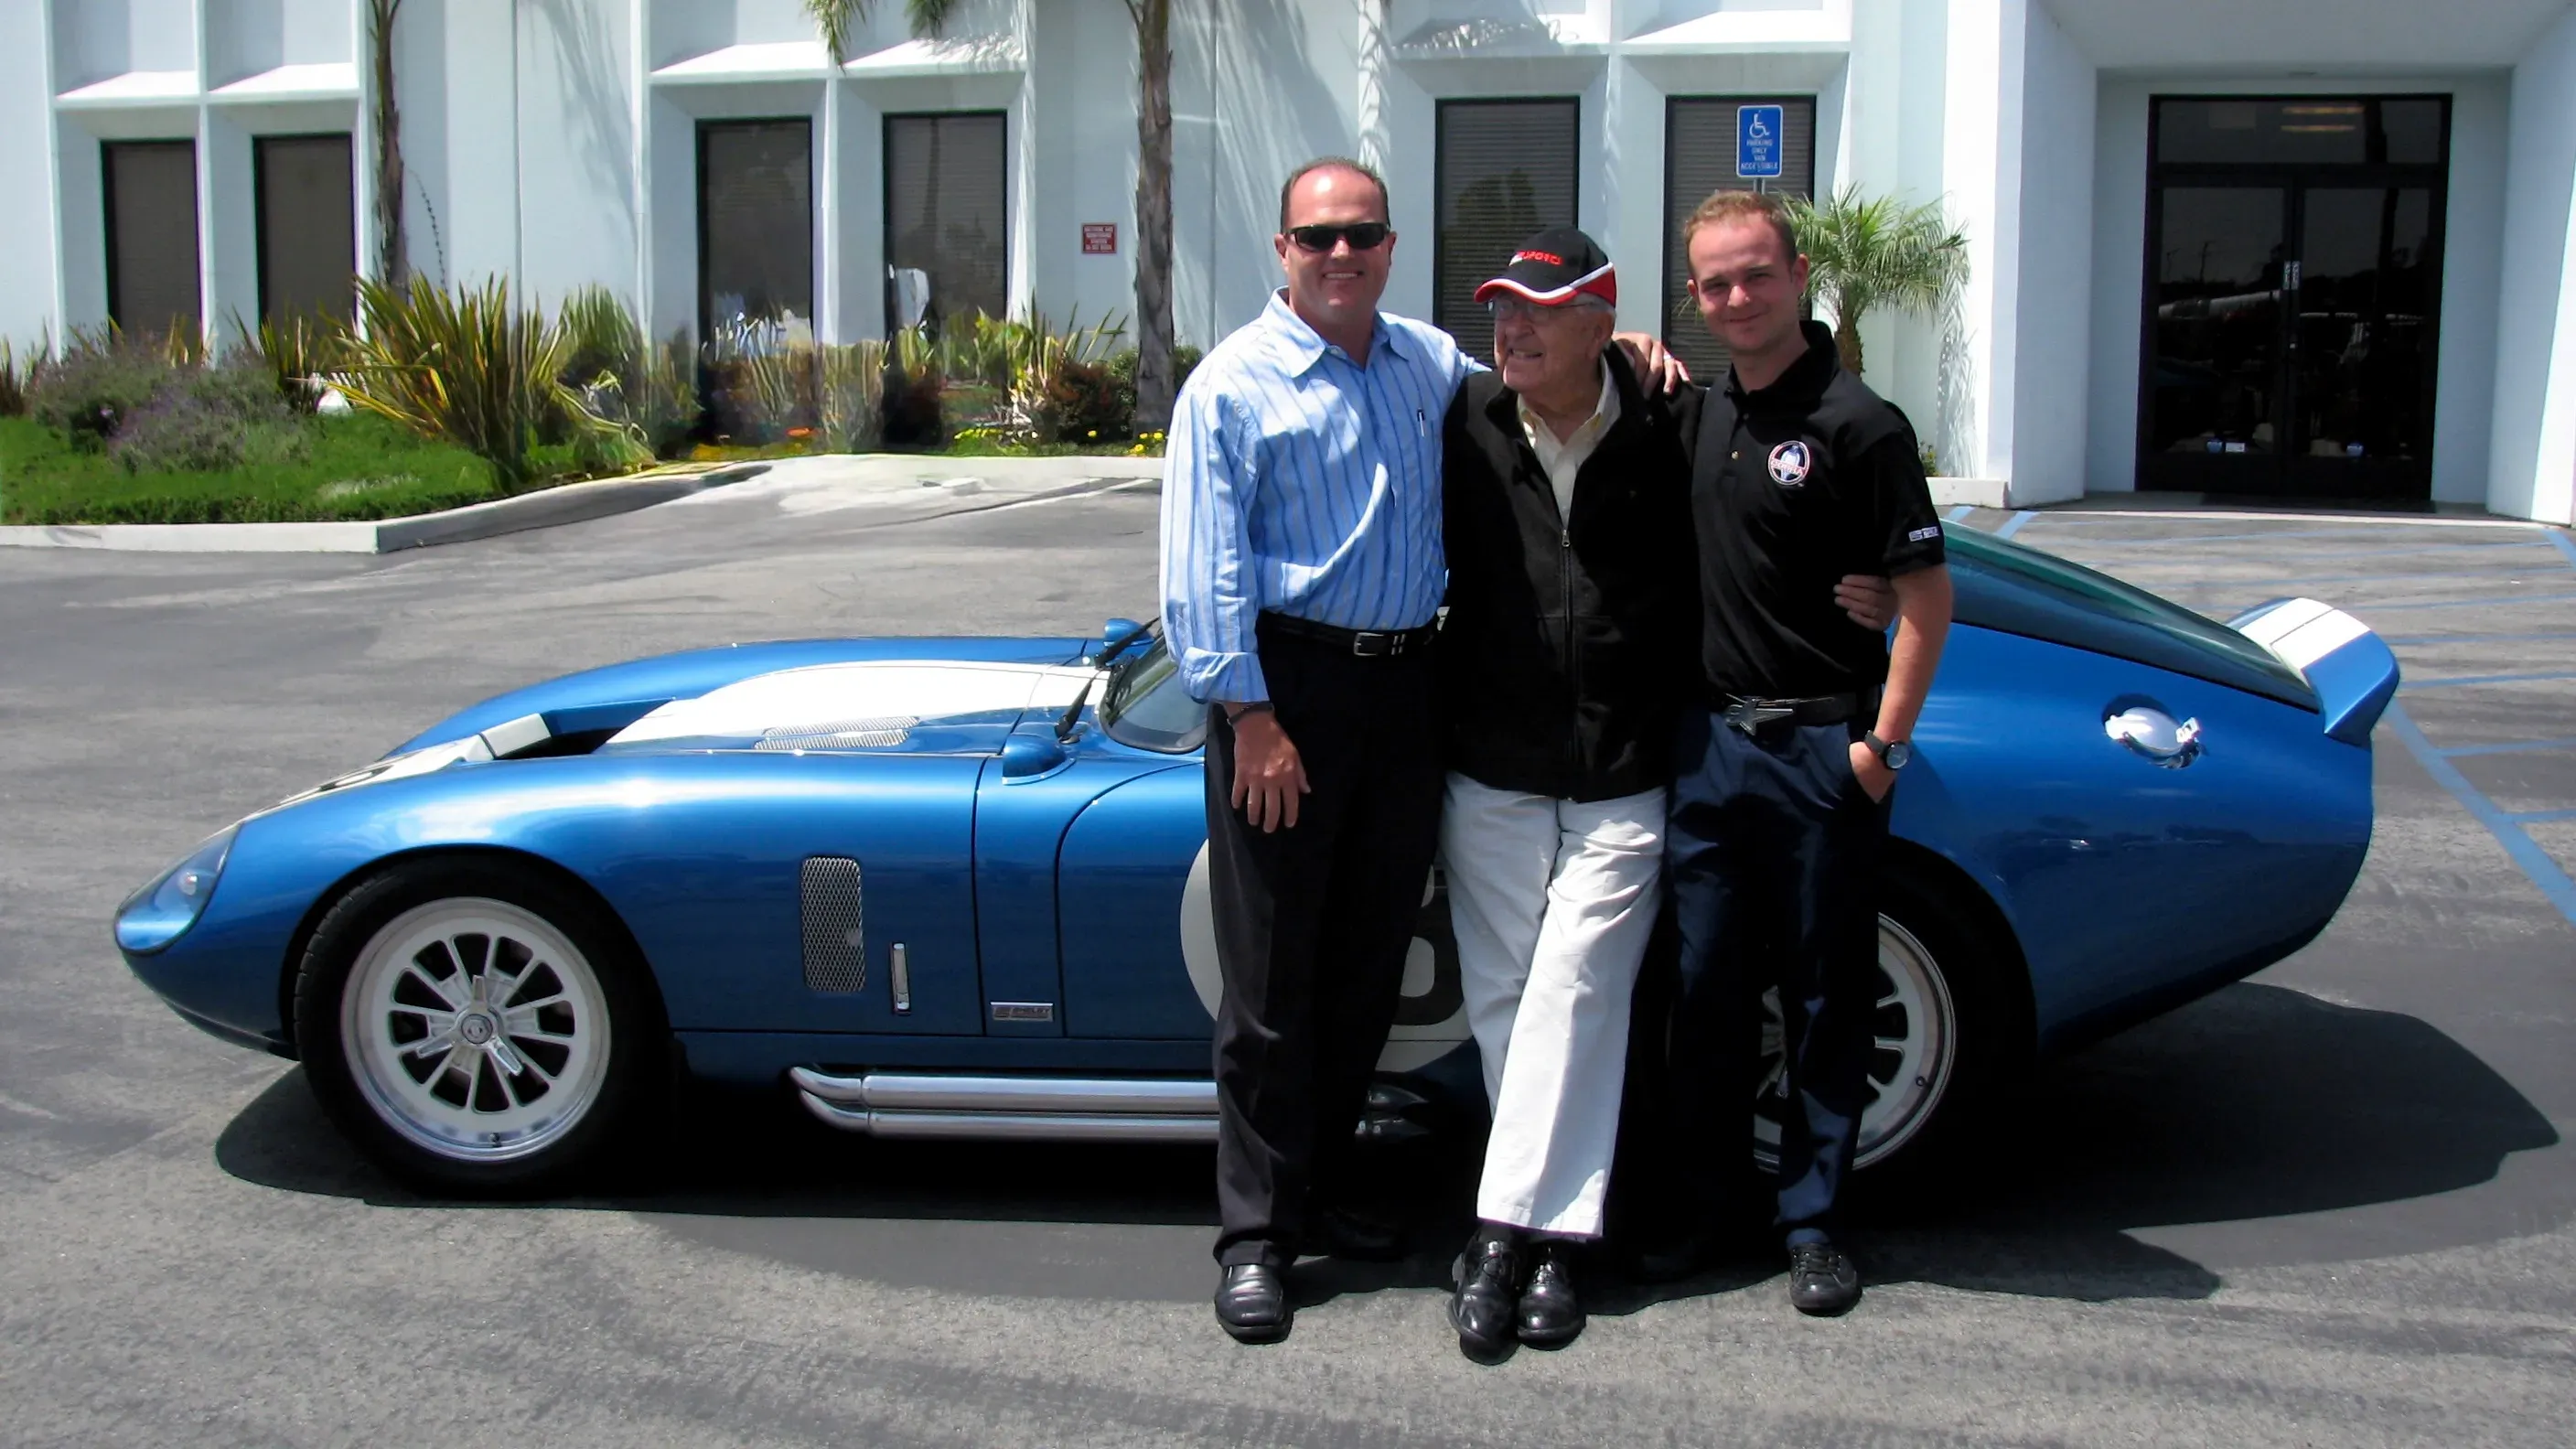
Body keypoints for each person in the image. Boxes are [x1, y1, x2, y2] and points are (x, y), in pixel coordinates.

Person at [1433, 227, 1894, 1358]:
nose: (1511, 329)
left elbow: (1785, 530)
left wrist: (1879, 597)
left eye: (1540, 310)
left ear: (1603, 324)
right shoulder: (1460, 423)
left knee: (1578, 990)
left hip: (1631, 767)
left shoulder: (1673, 420)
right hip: (1490, 764)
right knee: (1506, 1005)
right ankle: (1553, 1243)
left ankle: (1502, 1235)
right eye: (1501, 308)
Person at [1653, 188, 1953, 1317]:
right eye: (1713, 283)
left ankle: (1812, 1222)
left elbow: (1925, 597)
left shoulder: (1859, 424)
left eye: (1753, 275)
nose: (1735, 297)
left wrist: (1879, 747)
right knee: (1704, 994)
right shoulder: (1695, 413)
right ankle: (1706, 1210)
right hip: (1708, 752)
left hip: (1822, 748)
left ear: (1798, 275)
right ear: (1695, 297)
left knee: (1826, 995)